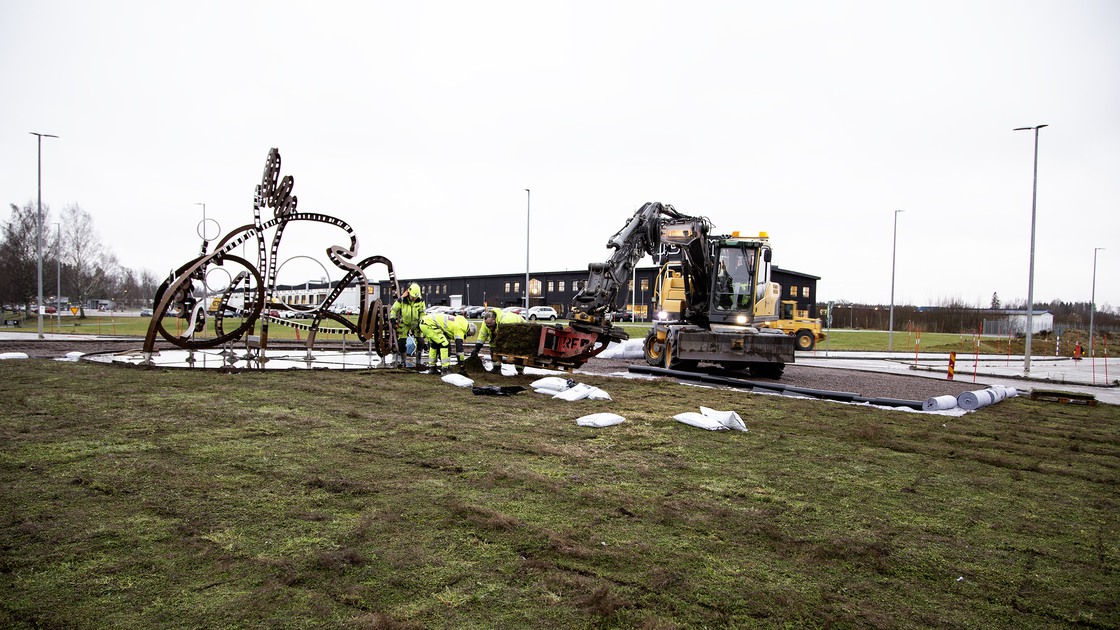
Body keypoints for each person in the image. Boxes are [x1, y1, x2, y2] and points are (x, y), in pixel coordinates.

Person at [389, 283, 426, 367]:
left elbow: (423, 313)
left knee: (420, 341)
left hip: (416, 323)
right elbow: (394, 310)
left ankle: (418, 361)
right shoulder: (401, 300)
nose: (413, 299)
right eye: (412, 297)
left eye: (415, 297)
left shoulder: (421, 301)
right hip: (405, 323)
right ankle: (403, 361)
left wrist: (422, 322)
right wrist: (393, 320)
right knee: (401, 342)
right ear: (409, 293)